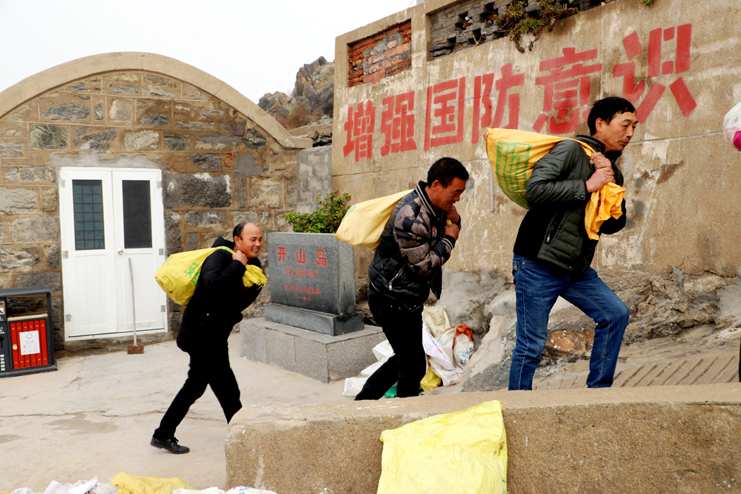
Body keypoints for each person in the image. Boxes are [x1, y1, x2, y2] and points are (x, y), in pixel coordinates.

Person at [508, 97, 637, 391]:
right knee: (531, 344)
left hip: (575, 268)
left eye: (634, 127)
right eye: (625, 125)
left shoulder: (611, 170)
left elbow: (612, 224)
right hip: (537, 262)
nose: (630, 133)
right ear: (600, 124)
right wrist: (588, 185)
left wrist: (610, 185)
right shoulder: (569, 150)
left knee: (615, 314)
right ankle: (516, 405)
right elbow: (535, 191)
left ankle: (598, 393)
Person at [355, 157, 469, 400]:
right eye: (456, 192)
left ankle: (363, 402)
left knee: (406, 359)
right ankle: (404, 411)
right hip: (391, 300)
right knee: (413, 366)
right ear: (436, 185)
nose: (458, 198)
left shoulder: (436, 206)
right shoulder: (411, 217)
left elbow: (450, 227)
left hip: (406, 298)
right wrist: (450, 239)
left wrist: (455, 219)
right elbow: (423, 266)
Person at [151, 222, 263, 454]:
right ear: (237, 240)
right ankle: (243, 438)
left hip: (215, 334)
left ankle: (163, 434)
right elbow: (213, 286)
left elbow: (237, 301)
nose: (258, 244)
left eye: (260, 239)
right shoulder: (220, 256)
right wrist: (237, 265)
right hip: (200, 333)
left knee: (197, 385)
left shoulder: (253, 267)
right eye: (252, 239)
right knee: (227, 389)